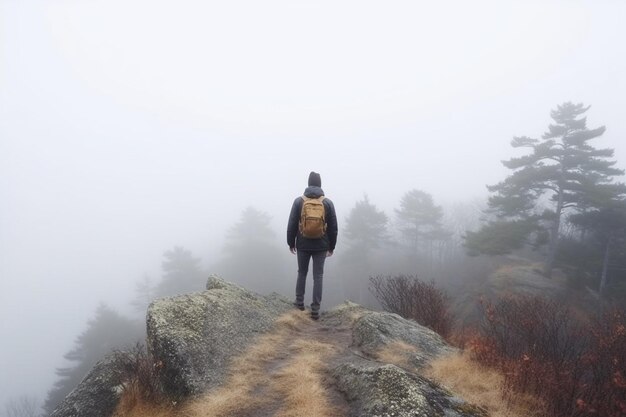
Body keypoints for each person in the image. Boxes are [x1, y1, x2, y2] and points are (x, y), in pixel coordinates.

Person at [287, 171, 338, 320]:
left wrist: (291, 242)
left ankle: (299, 303)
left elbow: (291, 223)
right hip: (321, 245)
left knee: (302, 272)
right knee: (318, 276)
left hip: (302, 243)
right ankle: (315, 309)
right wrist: (331, 246)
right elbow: (334, 227)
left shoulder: (299, 201)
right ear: (320, 184)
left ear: (308, 183)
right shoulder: (327, 202)